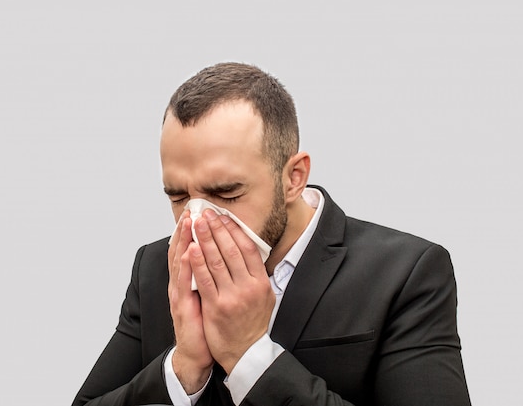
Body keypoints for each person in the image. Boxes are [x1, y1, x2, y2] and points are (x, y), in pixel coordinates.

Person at [72, 62, 471, 406]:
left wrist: (251, 358)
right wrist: (183, 368)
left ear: (293, 177)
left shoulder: (405, 273)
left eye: (226, 192)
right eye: (178, 196)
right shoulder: (158, 267)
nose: (196, 219)